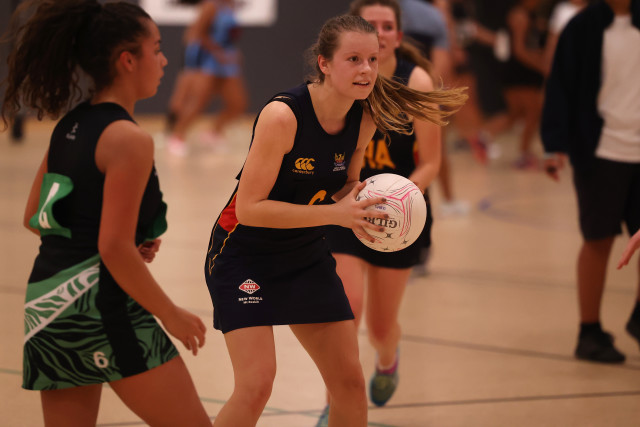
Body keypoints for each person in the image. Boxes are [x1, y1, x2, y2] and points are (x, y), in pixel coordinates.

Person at [203, 14, 466, 427]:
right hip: (244, 255)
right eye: (354, 59)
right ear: (324, 64)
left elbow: (346, 185)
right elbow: (251, 208)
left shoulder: (364, 118)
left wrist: (375, 206)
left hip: (304, 254)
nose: (366, 70)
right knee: (256, 386)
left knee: (349, 386)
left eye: (373, 60)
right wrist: (336, 214)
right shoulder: (282, 116)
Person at [1, 1, 211, 425]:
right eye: (156, 49)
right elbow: (113, 247)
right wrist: (170, 313)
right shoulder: (128, 139)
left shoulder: (69, 125)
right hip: (98, 303)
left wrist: (119, 245)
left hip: (46, 304)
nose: (163, 60)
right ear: (127, 60)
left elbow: (35, 216)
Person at [318, 2, 441, 422]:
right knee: (345, 309)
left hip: (398, 214)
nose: (381, 32)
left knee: (382, 328)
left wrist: (399, 197)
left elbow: (431, 162)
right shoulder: (340, 78)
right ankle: (334, 403)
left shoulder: (416, 81)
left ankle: (388, 359)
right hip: (346, 207)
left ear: (399, 36)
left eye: (389, 26)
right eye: (372, 24)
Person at [541, 0, 640, 363]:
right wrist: (554, 144)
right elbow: (560, 86)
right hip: (600, 151)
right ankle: (590, 331)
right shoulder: (582, 28)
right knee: (598, 240)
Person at [167, 0, 247, 156]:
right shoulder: (210, 6)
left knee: (237, 103)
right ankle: (177, 136)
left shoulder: (231, 6)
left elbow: (227, 36)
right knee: (198, 101)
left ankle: (213, 133)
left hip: (227, 61)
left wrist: (232, 53)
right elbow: (194, 34)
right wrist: (217, 52)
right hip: (207, 61)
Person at [503, 0, 546, 169]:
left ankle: (483, 137)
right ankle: (524, 154)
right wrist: (542, 66)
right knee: (532, 112)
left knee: (519, 113)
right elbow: (519, 50)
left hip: (527, 71)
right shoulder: (520, 15)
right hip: (520, 72)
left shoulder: (533, 15)